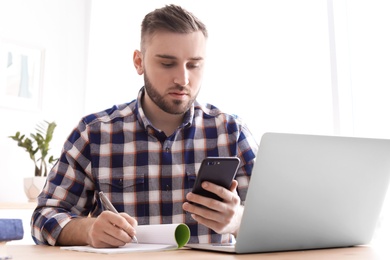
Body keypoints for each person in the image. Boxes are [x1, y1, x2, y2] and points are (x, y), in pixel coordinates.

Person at [31, 4, 258, 247]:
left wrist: (237, 221)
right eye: (167, 63)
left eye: (193, 65)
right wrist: (88, 230)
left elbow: (278, 223)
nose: (182, 79)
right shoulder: (94, 133)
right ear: (139, 62)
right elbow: (43, 218)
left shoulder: (232, 133)